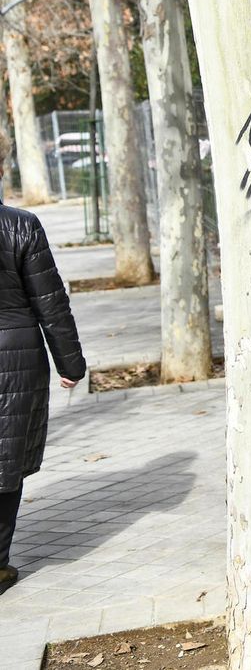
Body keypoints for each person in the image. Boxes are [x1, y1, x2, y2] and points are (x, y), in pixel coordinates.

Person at [0, 198, 86, 596]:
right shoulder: (21, 225)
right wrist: (70, 363)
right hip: (16, 358)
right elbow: (50, 302)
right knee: (6, 461)